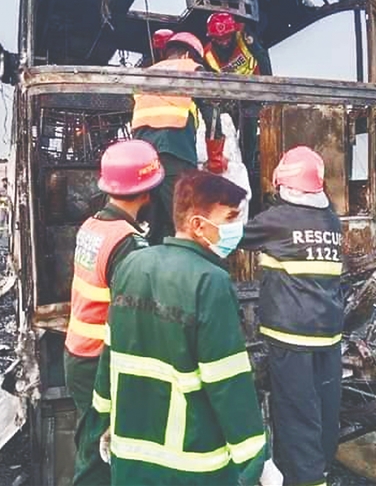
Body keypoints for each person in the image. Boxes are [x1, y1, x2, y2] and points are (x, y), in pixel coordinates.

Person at [91, 170, 280, 485]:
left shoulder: (132, 265)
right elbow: (227, 379)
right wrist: (257, 458)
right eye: (230, 218)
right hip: (192, 461)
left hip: (131, 454)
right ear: (197, 225)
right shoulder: (210, 281)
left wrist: (103, 419)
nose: (236, 228)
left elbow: (110, 352)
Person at [238, 146, 344, 486]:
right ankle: (321, 471)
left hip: (290, 337)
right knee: (325, 410)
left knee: (297, 416)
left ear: (281, 183)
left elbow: (229, 238)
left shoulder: (277, 219)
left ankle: (306, 479)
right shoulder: (331, 221)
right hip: (329, 336)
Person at [65, 140, 164, 486]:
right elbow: (134, 317)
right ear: (147, 191)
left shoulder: (92, 226)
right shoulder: (128, 244)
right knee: (100, 452)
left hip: (78, 352)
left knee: (90, 439)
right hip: (100, 360)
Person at [131, 31, 205, 245]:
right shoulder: (189, 67)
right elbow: (211, 99)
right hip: (173, 151)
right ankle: (192, 260)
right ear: (187, 55)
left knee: (153, 220)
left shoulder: (145, 75)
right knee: (185, 219)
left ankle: (154, 258)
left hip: (144, 155)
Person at [202, 11, 272, 176]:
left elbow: (261, 56)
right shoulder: (208, 54)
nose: (224, 42)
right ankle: (228, 161)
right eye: (219, 39)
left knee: (249, 126)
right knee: (226, 125)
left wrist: (268, 87)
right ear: (212, 38)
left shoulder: (244, 35)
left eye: (227, 37)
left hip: (252, 89)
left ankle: (247, 166)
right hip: (230, 95)